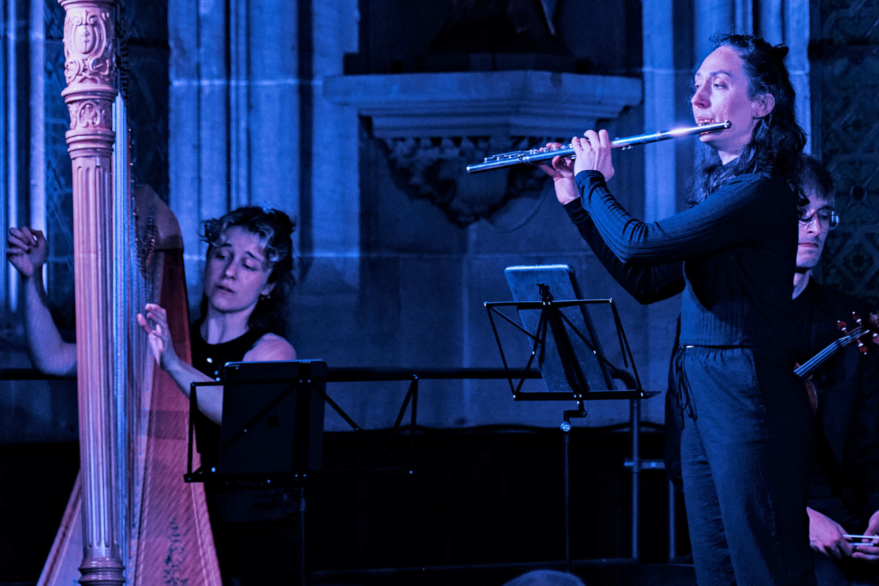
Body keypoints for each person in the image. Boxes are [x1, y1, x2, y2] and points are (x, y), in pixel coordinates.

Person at [540, 34, 812, 585]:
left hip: (746, 391)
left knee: (766, 569)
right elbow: (644, 280)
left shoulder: (761, 192)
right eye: (696, 86)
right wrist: (575, 201)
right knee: (716, 570)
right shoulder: (722, 193)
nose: (699, 98)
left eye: (719, 83)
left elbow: (639, 241)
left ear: (763, 103)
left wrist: (593, 178)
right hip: (697, 391)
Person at [7, 205, 300, 585]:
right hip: (166, 511)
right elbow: (53, 358)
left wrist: (174, 364)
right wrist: (32, 278)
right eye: (222, 255)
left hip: (247, 527)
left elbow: (239, 412)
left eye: (249, 264)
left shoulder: (272, 351)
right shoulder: (166, 336)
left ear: (269, 285)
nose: (229, 272)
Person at [787, 157, 879, 585]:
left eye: (824, 215)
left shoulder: (852, 318)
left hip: (848, 519)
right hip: (767, 521)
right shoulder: (721, 322)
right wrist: (797, 518)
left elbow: (869, 439)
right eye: (802, 213)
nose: (817, 228)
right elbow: (690, 460)